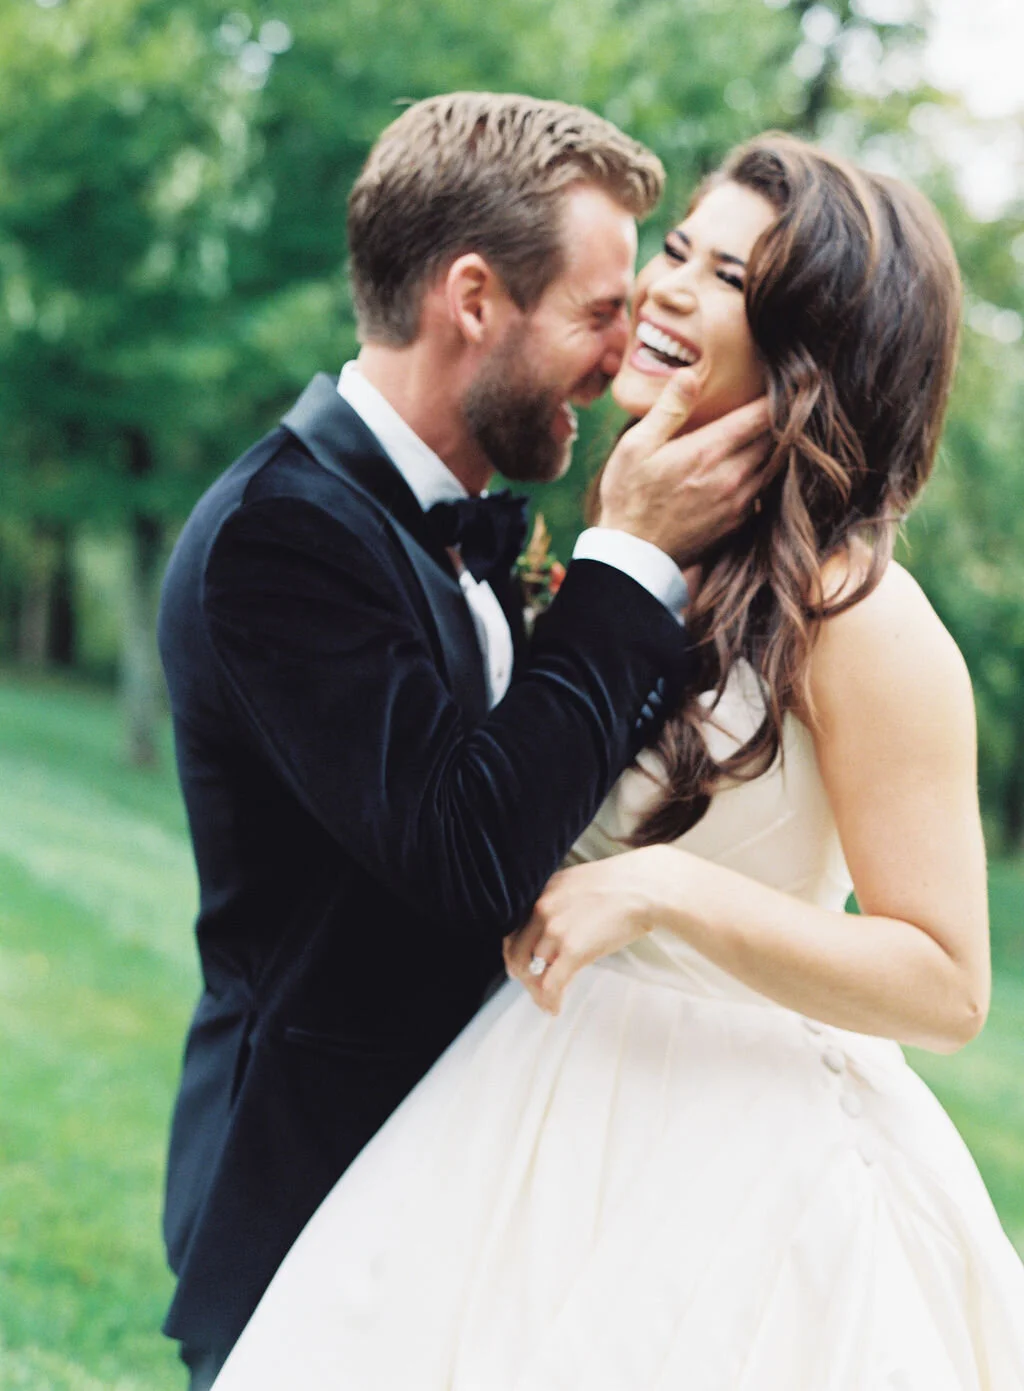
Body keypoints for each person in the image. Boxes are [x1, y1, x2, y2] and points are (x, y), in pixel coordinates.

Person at [211, 134, 1024, 1389]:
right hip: (528, 1091)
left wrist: (665, 888)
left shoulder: (858, 611)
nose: (664, 288)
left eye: (728, 279)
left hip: (733, 1148)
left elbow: (948, 981)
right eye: (678, 251)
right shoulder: (645, 543)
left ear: (812, 346)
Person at [157, 93, 771, 1388]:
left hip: (478, 1187)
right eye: (599, 313)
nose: (624, 356)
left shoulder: (466, 518)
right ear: (476, 299)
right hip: (316, 1203)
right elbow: (470, 848)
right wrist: (631, 555)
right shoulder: (281, 537)